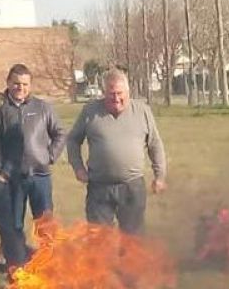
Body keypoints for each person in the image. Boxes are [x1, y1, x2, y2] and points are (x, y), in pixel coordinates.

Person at [66, 68, 167, 235]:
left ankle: (129, 262)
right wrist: (78, 168)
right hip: (99, 187)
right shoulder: (90, 111)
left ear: (128, 92)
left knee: (133, 240)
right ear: (104, 93)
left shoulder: (142, 111)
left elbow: (155, 144)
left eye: (120, 93)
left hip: (132, 187)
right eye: (111, 94)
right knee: (98, 239)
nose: (116, 98)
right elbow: (73, 140)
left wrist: (160, 176)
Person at [0, 65, 66, 267]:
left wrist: (49, 156)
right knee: (14, 226)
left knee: (45, 223)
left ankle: (48, 264)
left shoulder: (42, 108)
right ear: (8, 83)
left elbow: (60, 133)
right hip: (12, 179)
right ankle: (19, 265)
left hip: (40, 177)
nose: (20, 88)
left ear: (30, 85)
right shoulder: (0, 110)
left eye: (25, 84)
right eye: (16, 83)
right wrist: (2, 172)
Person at [0, 86, 27, 272]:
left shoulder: (1, 109)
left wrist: (4, 174)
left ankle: (17, 271)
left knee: (7, 229)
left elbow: (15, 144)